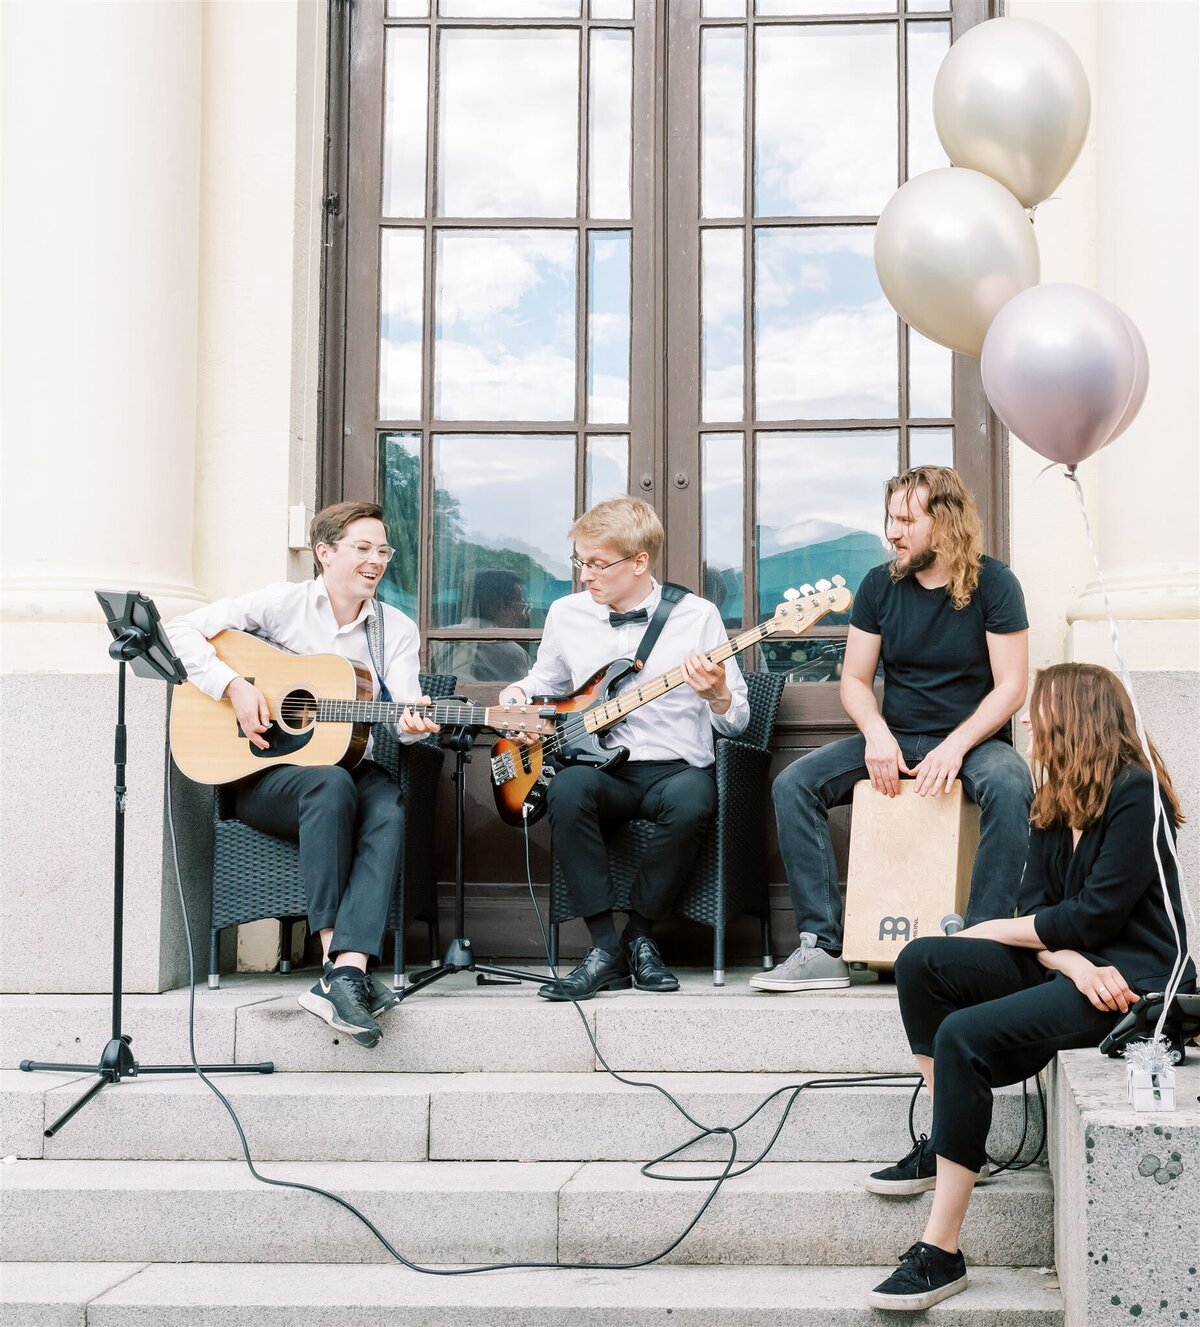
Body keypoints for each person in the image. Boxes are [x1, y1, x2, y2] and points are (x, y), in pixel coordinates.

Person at [864, 662, 1194, 1311]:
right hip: (1079, 967)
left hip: (1133, 982)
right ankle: (946, 1134)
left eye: (1035, 712)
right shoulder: (1055, 799)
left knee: (962, 1033)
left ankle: (943, 1249)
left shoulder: (1137, 792)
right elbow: (1043, 907)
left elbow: (1096, 913)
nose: (1027, 725)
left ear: (1074, 716)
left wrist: (1010, 933)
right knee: (921, 960)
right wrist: (1067, 961)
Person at [166, 501, 439, 1049]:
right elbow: (178, 630)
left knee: (386, 804)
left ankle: (347, 970)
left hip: (351, 767)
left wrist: (415, 723)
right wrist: (234, 687)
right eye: (362, 548)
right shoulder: (279, 604)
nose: (376, 560)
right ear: (325, 552)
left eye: (383, 550)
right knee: (327, 782)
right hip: (264, 777)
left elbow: (406, 715)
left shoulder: (395, 630)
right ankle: (333, 955)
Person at [755, 466, 1033, 993]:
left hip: (971, 743)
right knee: (794, 784)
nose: (892, 532)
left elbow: (1011, 688)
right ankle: (821, 948)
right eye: (890, 518)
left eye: (906, 519)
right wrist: (877, 734)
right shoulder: (880, 585)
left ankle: (982, 946)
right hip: (897, 735)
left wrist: (955, 746)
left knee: (1011, 783)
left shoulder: (996, 583)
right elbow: (856, 681)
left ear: (946, 522)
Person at [498, 497, 749, 1000]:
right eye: (581, 562)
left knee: (693, 803)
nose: (586, 574)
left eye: (597, 563)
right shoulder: (567, 614)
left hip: (674, 769)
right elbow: (543, 681)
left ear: (639, 562)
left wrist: (715, 693)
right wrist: (516, 700)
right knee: (567, 792)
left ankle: (640, 936)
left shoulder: (697, 616)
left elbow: (738, 717)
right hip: (602, 769)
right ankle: (605, 947)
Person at [444, 568, 532, 682]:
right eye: (524, 608)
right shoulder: (512, 652)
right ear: (502, 608)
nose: (524, 617)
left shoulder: (444, 639)